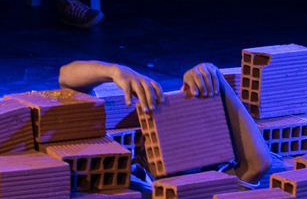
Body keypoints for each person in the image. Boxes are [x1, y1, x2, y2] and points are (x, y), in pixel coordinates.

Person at [59, 60, 272, 183]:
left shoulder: (210, 185)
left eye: (195, 130)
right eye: (173, 124)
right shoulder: (123, 175)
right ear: (147, 139)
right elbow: (67, 78)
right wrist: (113, 71)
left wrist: (215, 77)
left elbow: (257, 165)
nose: (183, 133)